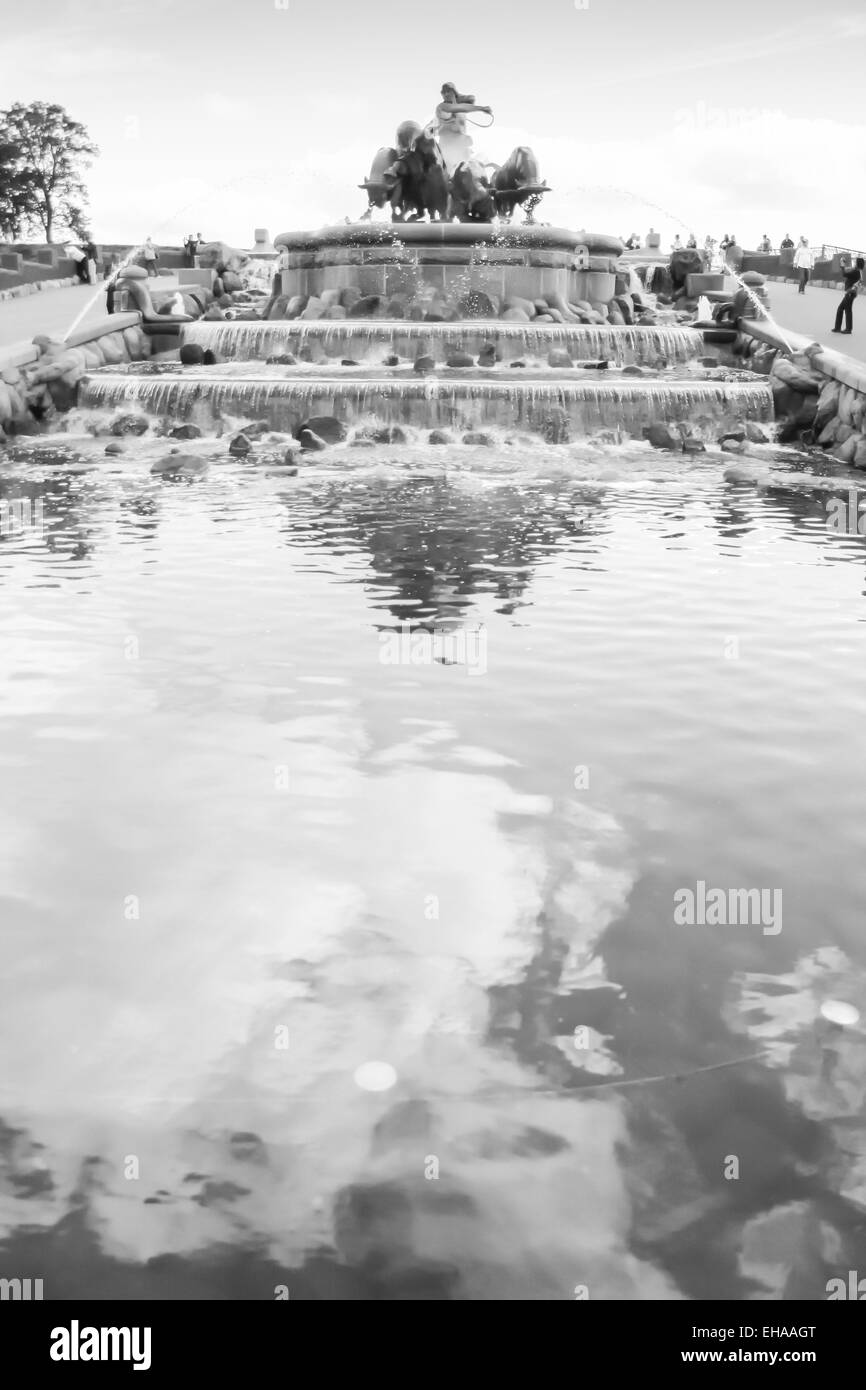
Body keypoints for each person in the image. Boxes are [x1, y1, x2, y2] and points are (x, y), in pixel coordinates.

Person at [425, 83, 492, 177]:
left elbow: (466, 103)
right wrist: (481, 108)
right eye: (444, 92)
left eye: (449, 91)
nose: (446, 94)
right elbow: (458, 108)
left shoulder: (458, 109)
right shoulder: (442, 107)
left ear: (453, 92)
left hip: (462, 151)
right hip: (447, 152)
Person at [831, 257, 864, 334]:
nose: (854, 263)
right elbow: (847, 271)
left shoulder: (856, 271)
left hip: (850, 293)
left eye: (855, 262)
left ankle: (848, 329)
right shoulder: (858, 271)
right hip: (851, 293)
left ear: (858, 263)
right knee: (841, 309)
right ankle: (838, 328)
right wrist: (843, 266)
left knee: (847, 310)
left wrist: (842, 266)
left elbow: (845, 274)